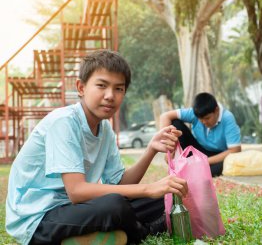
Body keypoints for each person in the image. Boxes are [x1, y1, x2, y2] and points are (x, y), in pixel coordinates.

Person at [6, 50, 187, 245]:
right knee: (115, 204)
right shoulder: (64, 122)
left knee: (165, 195)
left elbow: (119, 184)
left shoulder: (105, 129)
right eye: (101, 85)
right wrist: (147, 188)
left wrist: (151, 149)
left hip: (75, 209)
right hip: (38, 217)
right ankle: (142, 232)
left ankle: (114, 234)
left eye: (119, 89)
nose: (110, 95)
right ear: (81, 87)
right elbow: (77, 191)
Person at [159, 92, 241, 177]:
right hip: (199, 150)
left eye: (207, 118)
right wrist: (169, 150)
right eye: (200, 119)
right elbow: (165, 116)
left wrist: (203, 161)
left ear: (216, 110)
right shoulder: (195, 113)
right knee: (176, 123)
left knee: (222, 166)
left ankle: (192, 169)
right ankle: (184, 165)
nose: (204, 122)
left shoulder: (227, 118)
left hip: (218, 156)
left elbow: (235, 150)